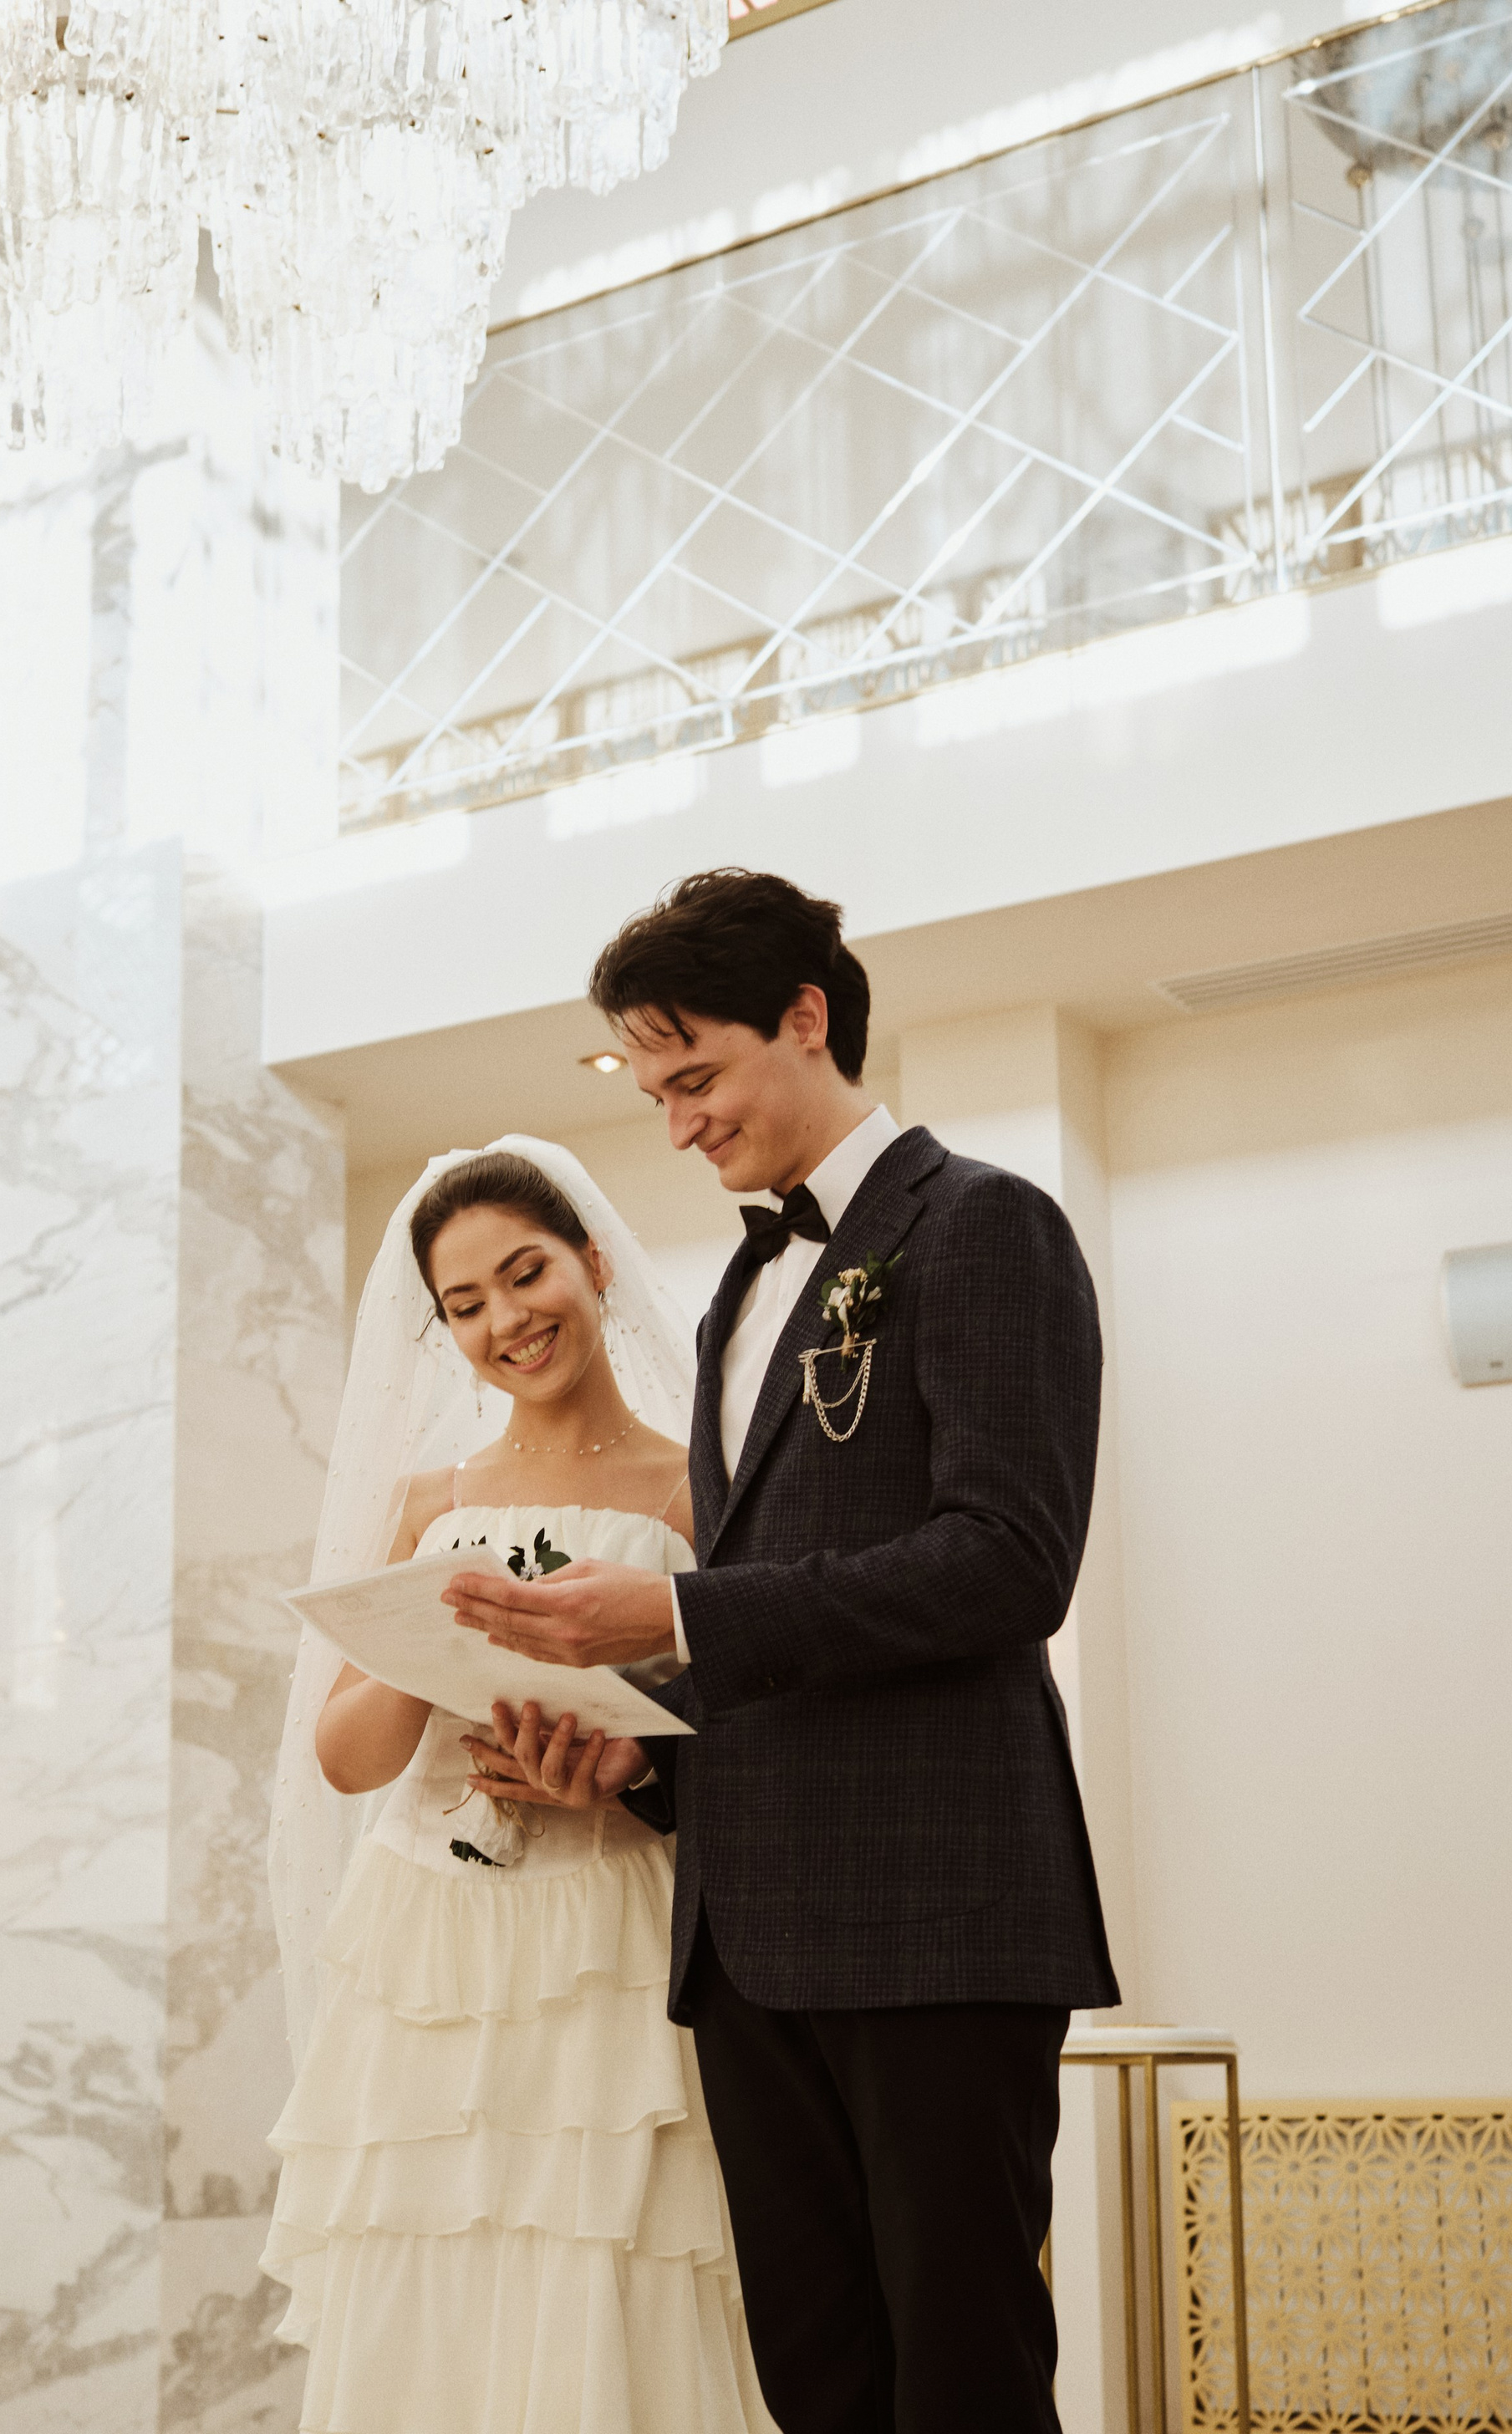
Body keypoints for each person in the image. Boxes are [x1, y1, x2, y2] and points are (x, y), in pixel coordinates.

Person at [442, 868, 1120, 2434]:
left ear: (806, 1019)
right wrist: (638, 1762)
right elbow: (782, 1612)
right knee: (817, 2382)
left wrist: (680, 1616)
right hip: (747, 1933)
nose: (676, 1126)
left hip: (935, 1913)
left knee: (962, 2377)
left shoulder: (986, 1227)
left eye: (695, 1077)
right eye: (654, 1089)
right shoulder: (740, 1290)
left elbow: (1013, 1559)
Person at [262, 1137, 776, 2434]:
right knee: (430, 2251)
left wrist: (626, 1764)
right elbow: (345, 1758)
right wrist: (435, 1645)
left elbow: (748, 1717)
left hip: (611, 1920)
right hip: (426, 1932)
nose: (508, 1319)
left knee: (613, 2250)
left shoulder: (693, 1484)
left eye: (526, 1272)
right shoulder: (431, 1500)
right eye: (466, 1304)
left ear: (595, 1264)